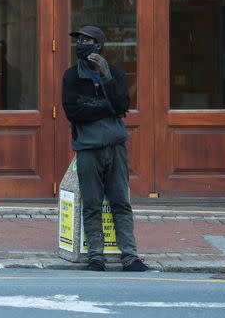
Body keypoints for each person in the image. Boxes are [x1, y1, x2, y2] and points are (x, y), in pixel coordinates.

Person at [61, 25, 148, 272]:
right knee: (91, 203)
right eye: (79, 40)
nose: (81, 44)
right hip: (88, 148)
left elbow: (121, 105)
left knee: (121, 201)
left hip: (115, 147)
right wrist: (106, 108)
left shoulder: (116, 74)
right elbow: (73, 111)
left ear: (98, 46)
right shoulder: (71, 76)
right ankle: (95, 256)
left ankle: (130, 256)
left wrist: (106, 78)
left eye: (87, 40)